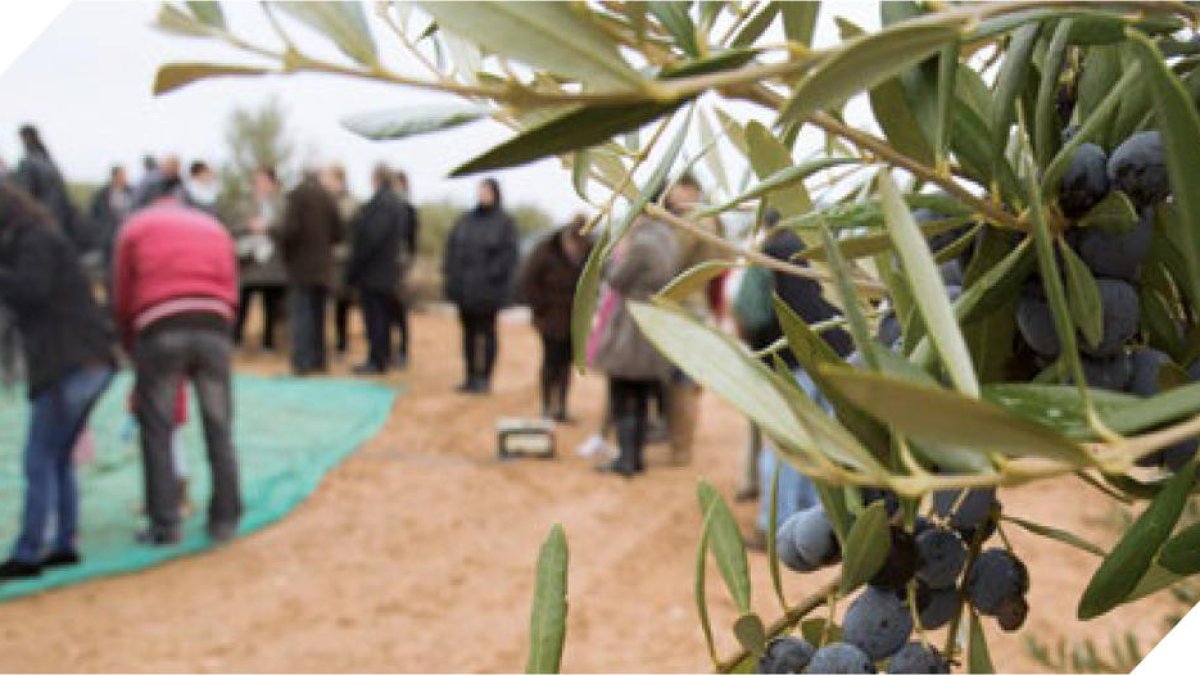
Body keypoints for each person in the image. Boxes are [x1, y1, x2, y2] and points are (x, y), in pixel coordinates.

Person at [112, 175, 242, 546]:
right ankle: (226, 518)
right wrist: (223, 322)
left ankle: (165, 523)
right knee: (219, 427)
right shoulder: (213, 227)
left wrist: (130, 343)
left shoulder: (134, 227)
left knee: (158, 428)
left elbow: (122, 293)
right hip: (214, 325)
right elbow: (232, 282)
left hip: (160, 327)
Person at [0, 184, 116, 579]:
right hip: (87, 360)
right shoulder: (42, 238)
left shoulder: (34, 243)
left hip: (68, 363)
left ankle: (29, 550)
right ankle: (62, 542)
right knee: (58, 455)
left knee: (40, 458)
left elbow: (29, 291)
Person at [739, 216, 854, 549]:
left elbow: (750, 310)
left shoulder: (768, 252)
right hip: (837, 356)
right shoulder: (822, 250)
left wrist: (759, 349)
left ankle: (773, 525)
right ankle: (811, 520)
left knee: (785, 444)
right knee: (820, 444)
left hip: (792, 358)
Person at [592, 214, 679, 477]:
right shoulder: (669, 239)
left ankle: (626, 458)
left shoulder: (640, 243)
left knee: (622, 394)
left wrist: (615, 255)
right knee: (642, 396)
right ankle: (636, 456)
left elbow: (617, 279)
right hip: (654, 323)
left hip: (630, 328)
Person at [660, 174, 728, 466]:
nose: (672, 194)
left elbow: (671, 262)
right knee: (686, 381)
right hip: (697, 306)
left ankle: (681, 449)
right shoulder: (713, 222)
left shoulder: (691, 223)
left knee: (682, 383)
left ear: (691, 191)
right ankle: (680, 446)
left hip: (684, 306)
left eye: (677, 188)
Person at [443, 178, 519, 394]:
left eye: (486, 191)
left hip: (488, 293)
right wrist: (452, 279)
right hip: (464, 291)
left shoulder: (504, 223)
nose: (482, 195)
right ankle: (470, 377)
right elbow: (452, 251)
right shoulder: (466, 221)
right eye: (480, 191)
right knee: (467, 334)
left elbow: (509, 258)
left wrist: (493, 280)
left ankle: (484, 378)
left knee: (487, 334)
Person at [520, 215, 593, 422]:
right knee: (550, 363)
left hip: (574, 321)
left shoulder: (588, 252)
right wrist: (541, 309)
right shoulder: (545, 250)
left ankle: (561, 406)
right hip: (549, 321)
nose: (576, 249)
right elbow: (528, 281)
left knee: (566, 365)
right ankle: (546, 406)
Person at [276, 169, 344, 375]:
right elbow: (339, 231)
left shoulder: (296, 197)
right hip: (323, 267)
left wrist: (286, 254)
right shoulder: (328, 197)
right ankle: (319, 361)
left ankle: (302, 362)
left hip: (301, 267)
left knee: (301, 315)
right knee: (319, 316)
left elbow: (289, 230)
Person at [346, 164, 407, 374]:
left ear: (377, 178)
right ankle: (380, 358)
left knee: (376, 319)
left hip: (376, 274)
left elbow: (371, 238)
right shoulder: (394, 202)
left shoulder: (383, 203)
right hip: (384, 273)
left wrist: (356, 265)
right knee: (380, 318)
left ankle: (378, 360)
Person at [232, 167, 286, 351]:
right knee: (243, 302)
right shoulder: (244, 204)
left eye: (264, 181)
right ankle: (236, 339)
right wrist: (249, 226)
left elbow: (288, 228)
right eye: (257, 180)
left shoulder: (282, 204)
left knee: (270, 305)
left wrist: (269, 227)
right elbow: (232, 226)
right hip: (249, 262)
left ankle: (268, 342)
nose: (260, 184)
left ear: (272, 183)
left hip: (273, 264)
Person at [12, 125, 84, 251]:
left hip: (40, 221)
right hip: (59, 219)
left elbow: (24, 196)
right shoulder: (50, 163)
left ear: (24, 139)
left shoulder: (27, 163)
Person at [322, 164, 360, 358]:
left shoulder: (349, 202)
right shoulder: (327, 200)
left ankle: (341, 344)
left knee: (341, 305)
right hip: (326, 261)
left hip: (342, 262)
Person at [391, 170, 420, 368]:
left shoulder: (409, 210)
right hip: (387, 267)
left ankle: (403, 350)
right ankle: (392, 349)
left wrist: (408, 264)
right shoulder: (388, 209)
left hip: (402, 266)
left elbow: (412, 242)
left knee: (400, 309)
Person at [87, 164, 134, 272]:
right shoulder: (101, 195)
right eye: (122, 175)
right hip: (109, 239)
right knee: (110, 269)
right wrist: (100, 233)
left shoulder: (132, 193)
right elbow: (93, 216)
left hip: (127, 235)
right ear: (115, 176)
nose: (125, 177)